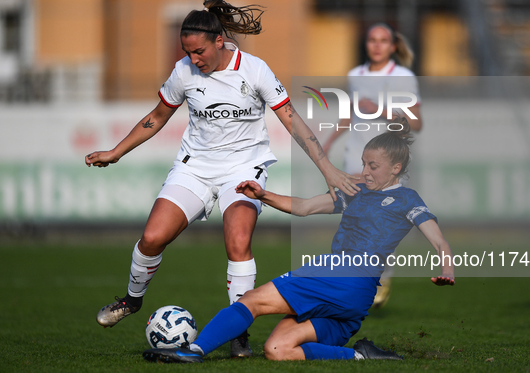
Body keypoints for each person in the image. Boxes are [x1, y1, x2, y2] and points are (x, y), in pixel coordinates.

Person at [85, 0, 358, 358]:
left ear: (218, 42)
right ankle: (131, 302)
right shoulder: (183, 72)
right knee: (151, 238)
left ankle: (239, 331)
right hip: (194, 167)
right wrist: (116, 152)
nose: (193, 59)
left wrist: (326, 168)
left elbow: (292, 120)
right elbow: (157, 116)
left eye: (199, 51)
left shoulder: (255, 70)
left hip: (244, 168)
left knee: (238, 241)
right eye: (187, 52)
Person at [142, 118, 455, 363]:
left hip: (342, 275)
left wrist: (447, 268)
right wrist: (264, 195)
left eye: (373, 166)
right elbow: (305, 207)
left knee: (251, 300)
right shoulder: (354, 193)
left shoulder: (406, 199)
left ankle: (193, 350)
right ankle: (361, 355)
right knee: (277, 348)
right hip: (355, 299)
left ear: (396, 168)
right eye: (363, 163)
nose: (364, 171)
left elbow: (438, 240)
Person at [323, 23, 422, 308]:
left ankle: (382, 275)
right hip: (355, 157)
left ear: (393, 46)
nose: (377, 45)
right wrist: (328, 143)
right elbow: (351, 112)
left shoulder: (403, 77)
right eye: (372, 40)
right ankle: (355, 282)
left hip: (387, 158)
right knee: (353, 218)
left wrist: (378, 110)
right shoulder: (356, 75)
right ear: (366, 44)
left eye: (383, 41)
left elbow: (414, 122)